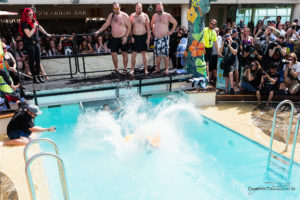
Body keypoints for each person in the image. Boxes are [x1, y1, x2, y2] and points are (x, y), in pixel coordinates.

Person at [94, 2, 132, 75]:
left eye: (117, 8)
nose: (116, 10)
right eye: (114, 8)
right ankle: (116, 69)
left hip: (123, 37)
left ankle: (125, 69)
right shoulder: (111, 16)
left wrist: (126, 36)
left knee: (124, 53)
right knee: (113, 53)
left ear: (119, 7)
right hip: (114, 38)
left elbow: (129, 27)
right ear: (113, 8)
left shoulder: (124, 15)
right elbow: (106, 24)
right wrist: (99, 31)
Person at [19, 8, 51, 84]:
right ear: (26, 15)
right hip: (29, 43)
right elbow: (29, 34)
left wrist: (46, 33)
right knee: (32, 60)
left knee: (38, 60)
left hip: (36, 43)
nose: (31, 15)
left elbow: (39, 27)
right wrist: (34, 27)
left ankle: (39, 75)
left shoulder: (34, 21)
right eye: (30, 14)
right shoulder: (24, 23)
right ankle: (34, 77)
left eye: (32, 14)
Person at [151, 2, 177, 75]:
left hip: (164, 38)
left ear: (162, 7)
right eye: (157, 8)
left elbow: (175, 22)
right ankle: (157, 69)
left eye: (159, 7)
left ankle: (167, 69)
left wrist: (171, 31)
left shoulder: (167, 15)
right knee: (157, 55)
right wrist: (153, 32)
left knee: (166, 55)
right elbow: (151, 23)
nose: (158, 9)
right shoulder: (154, 16)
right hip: (157, 38)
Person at [129, 2, 151, 75]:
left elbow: (148, 29)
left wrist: (148, 39)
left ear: (141, 8)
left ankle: (146, 69)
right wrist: (131, 37)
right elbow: (129, 28)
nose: (139, 9)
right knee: (133, 54)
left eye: (140, 8)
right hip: (135, 37)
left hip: (143, 36)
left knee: (144, 53)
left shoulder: (145, 16)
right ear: (135, 8)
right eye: (137, 8)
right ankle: (132, 69)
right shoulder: (132, 16)